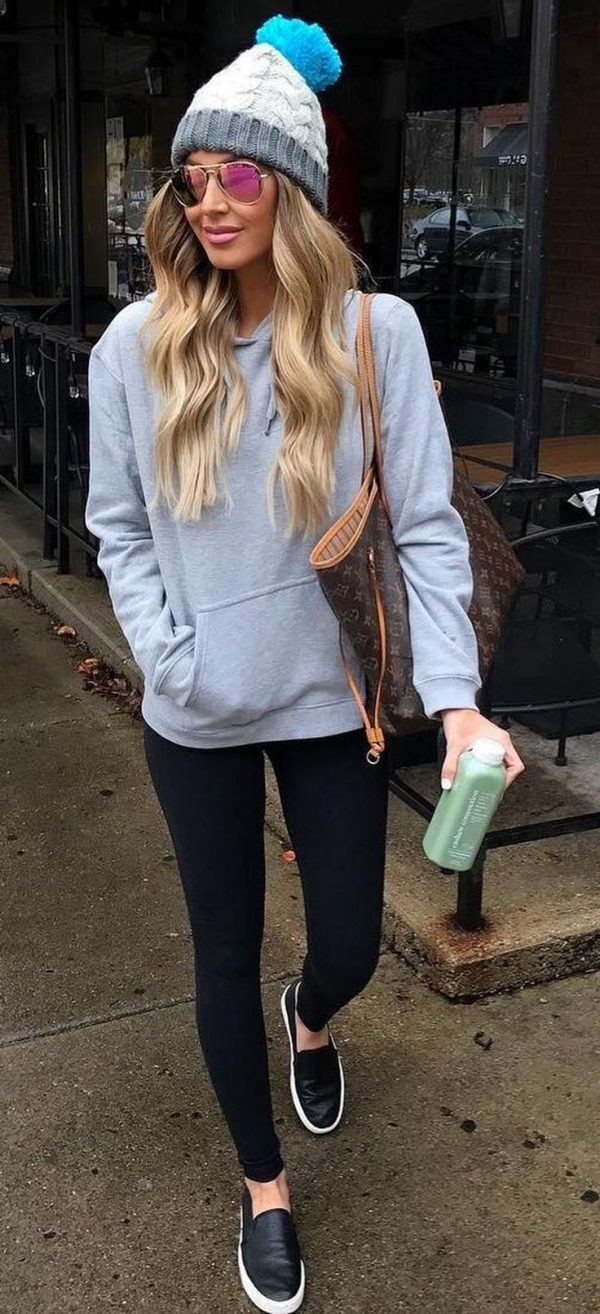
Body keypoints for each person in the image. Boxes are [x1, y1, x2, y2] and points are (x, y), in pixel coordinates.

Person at [85, 16, 524, 1313]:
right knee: (220, 949)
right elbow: (118, 528)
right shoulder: (131, 351)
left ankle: (313, 1018)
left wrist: (456, 702)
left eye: (238, 172)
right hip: (196, 712)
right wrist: (170, 658)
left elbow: (428, 526)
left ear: (293, 188)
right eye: (192, 178)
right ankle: (263, 1186)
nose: (210, 199)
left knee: (347, 943)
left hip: (333, 699)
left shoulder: (376, 335)